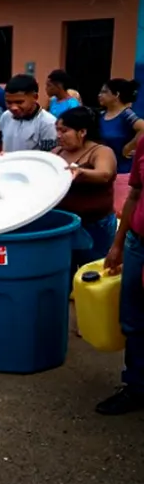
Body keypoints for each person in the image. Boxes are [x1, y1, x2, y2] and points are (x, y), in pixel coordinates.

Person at [98, 132, 144, 415]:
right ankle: (137, 387)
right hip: (138, 243)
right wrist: (117, 244)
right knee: (134, 320)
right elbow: (134, 194)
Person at [52, 106, 118, 270]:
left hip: (96, 225)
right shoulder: (57, 152)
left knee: (95, 271)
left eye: (64, 130)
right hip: (65, 223)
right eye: (57, 130)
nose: (58, 135)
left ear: (82, 132)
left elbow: (105, 174)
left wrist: (81, 172)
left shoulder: (100, 151)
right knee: (66, 269)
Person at [0, 74, 57, 152]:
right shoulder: (6, 116)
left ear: (35, 97)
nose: (13, 107)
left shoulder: (48, 123)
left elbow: (50, 156)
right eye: (9, 102)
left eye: (19, 102)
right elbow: (1, 143)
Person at [98, 78, 144, 174]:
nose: (100, 95)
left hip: (123, 170)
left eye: (104, 92)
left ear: (116, 95)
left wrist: (129, 147)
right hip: (104, 168)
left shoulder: (126, 114)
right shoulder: (101, 115)